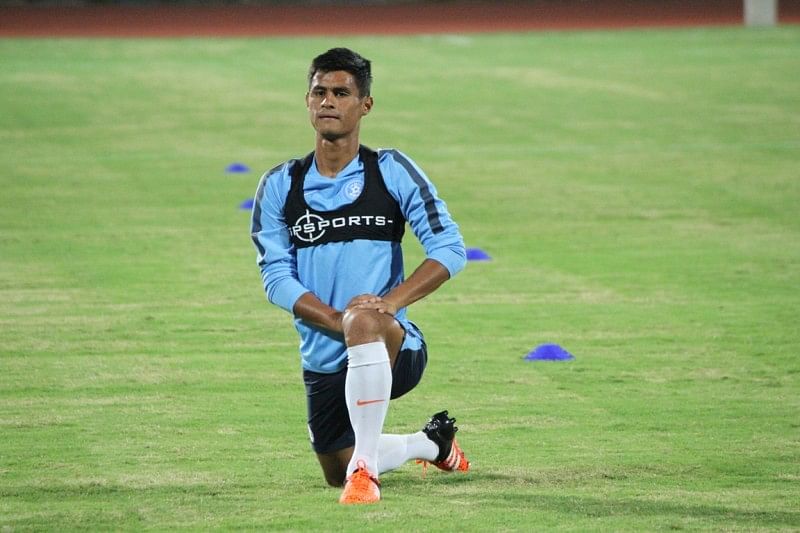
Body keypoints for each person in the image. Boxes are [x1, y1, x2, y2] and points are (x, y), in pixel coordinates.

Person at [250, 47, 469, 505]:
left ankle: (365, 476)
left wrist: (391, 303)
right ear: (307, 101)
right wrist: (335, 321)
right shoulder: (279, 185)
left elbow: (449, 249)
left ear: (364, 104)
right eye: (319, 92)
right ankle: (430, 445)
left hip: (393, 342)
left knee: (365, 320)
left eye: (341, 93)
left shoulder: (390, 171)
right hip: (324, 353)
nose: (328, 101)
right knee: (334, 467)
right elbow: (275, 276)